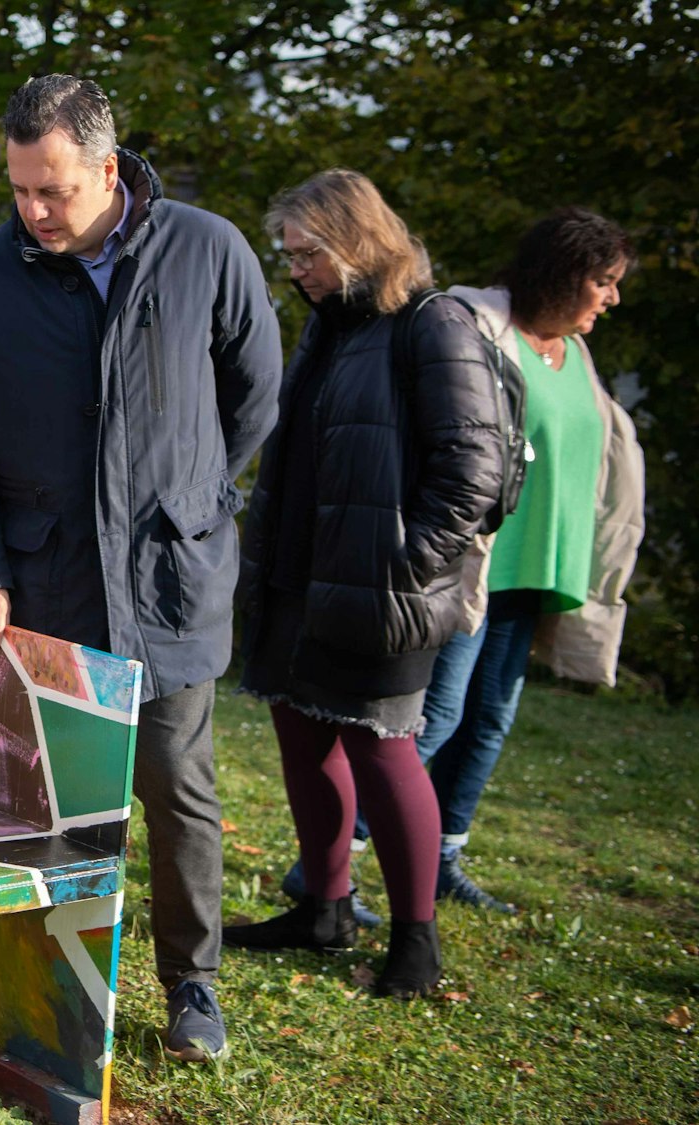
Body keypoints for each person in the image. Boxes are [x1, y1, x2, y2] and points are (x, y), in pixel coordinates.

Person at [0, 74, 282, 1062]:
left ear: (107, 170)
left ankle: (190, 988)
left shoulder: (208, 250)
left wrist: (194, 497)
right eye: (18, 190)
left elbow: (252, 394)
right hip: (42, 581)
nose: (32, 212)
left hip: (170, 578)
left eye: (53, 192)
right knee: (51, 794)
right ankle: (44, 986)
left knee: (175, 787)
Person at [225, 169, 508, 1000]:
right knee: (301, 735)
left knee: (383, 750)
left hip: (381, 586)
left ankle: (417, 940)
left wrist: (407, 561)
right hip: (301, 579)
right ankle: (325, 905)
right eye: (289, 255)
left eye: (308, 252)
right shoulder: (331, 326)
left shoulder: (432, 323)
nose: (296, 269)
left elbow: (473, 469)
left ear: (357, 241)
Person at [410, 207, 645, 912]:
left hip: (541, 567)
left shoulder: (576, 353)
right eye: (603, 282)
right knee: (437, 717)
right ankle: (342, 859)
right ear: (564, 275)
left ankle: (443, 857)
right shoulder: (478, 328)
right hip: (475, 564)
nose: (612, 298)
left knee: (487, 721)